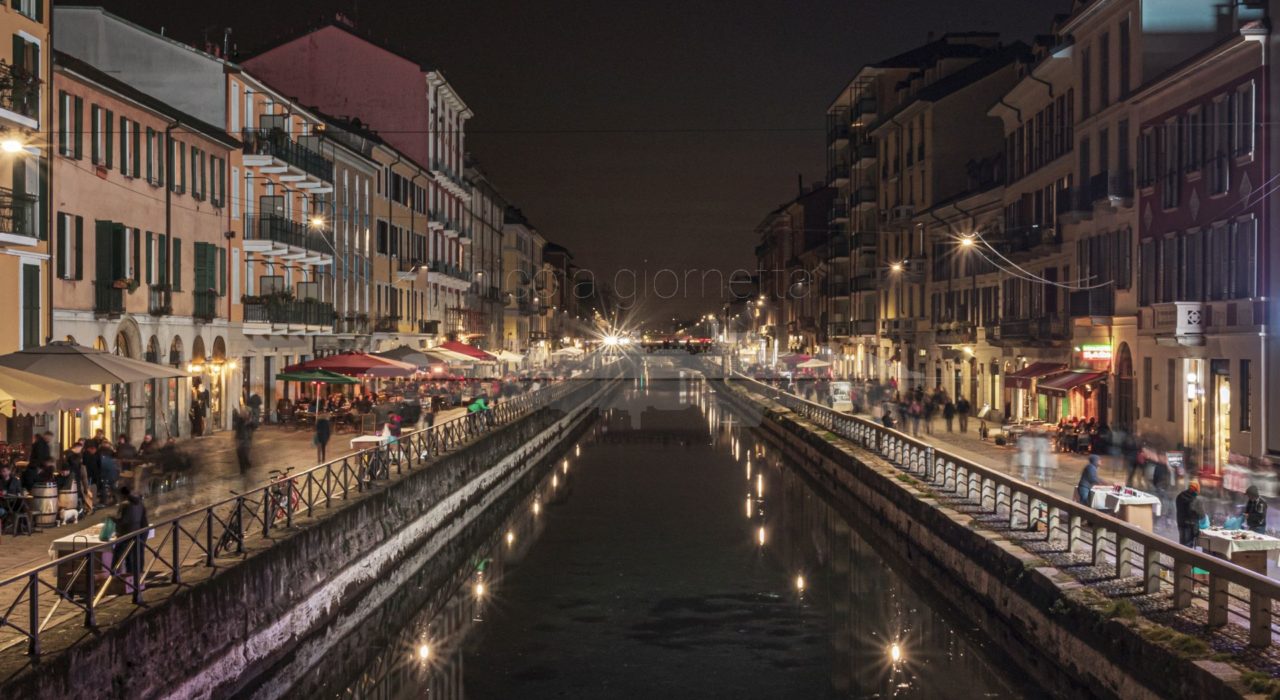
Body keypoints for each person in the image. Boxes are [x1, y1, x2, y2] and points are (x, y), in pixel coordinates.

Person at [113, 486, 148, 586]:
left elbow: (123, 520)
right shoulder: (139, 502)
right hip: (140, 532)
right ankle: (136, 578)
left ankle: (114, 578)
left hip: (128, 534)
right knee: (135, 556)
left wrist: (111, 519)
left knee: (119, 555)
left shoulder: (125, 505)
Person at [1175, 482, 1206, 548]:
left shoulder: (1180, 496)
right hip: (1191, 526)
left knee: (1182, 544)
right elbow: (1202, 516)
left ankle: (1180, 558)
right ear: (1197, 489)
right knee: (1189, 546)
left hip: (1181, 523)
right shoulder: (1196, 499)